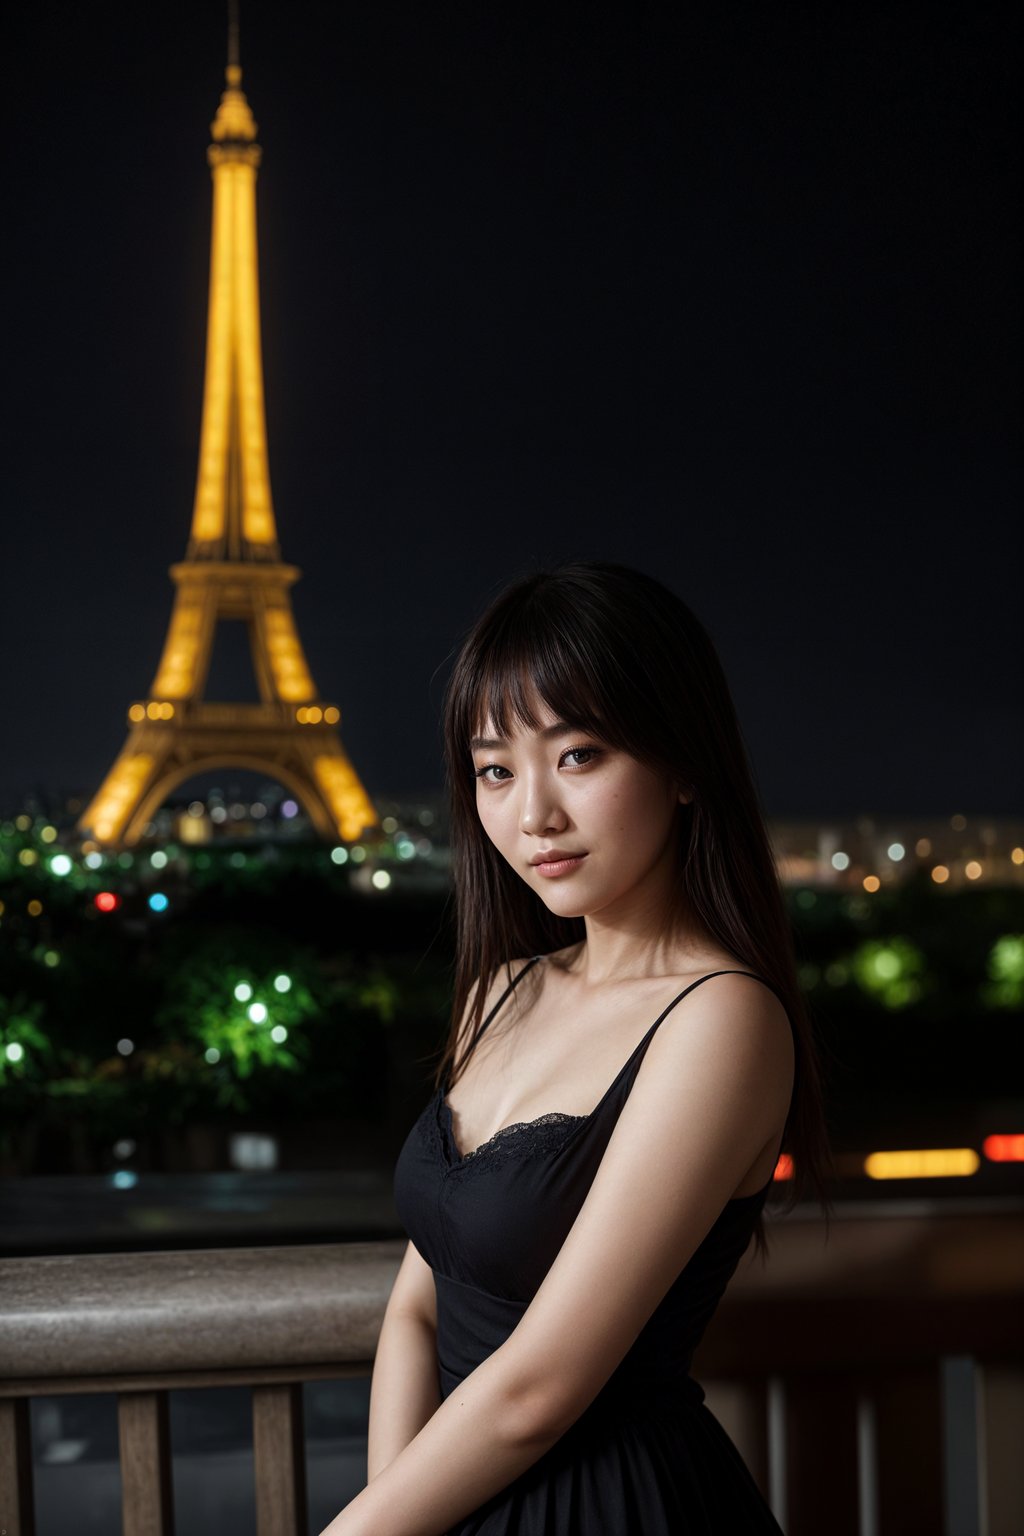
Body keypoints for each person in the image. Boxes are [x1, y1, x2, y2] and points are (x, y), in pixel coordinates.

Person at [321, 560, 828, 1535]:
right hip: (448, 1501)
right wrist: (391, 1514)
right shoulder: (498, 990)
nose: (532, 814)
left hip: (613, 1506)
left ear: (682, 764)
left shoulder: (720, 1019)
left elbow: (540, 1387)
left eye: (579, 755)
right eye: (494, 769)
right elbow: (417, 1311)